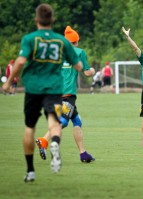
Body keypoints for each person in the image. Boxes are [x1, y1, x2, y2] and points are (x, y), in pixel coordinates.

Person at [1, 4, 82, 182]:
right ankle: (54, 143)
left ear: (36, 20)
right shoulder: (61, 41)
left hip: (33, 89)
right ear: (52, 20)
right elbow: (78, 66)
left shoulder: (30, 39)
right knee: (55, 123)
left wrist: (8, 82)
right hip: (54, 91)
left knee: (30, 128)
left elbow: (21, 61)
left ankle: (30, 171)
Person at [35, 25, 96, 163]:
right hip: (67, 95)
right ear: (76, 41)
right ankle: (43, 140)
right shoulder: (79, 52)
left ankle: (83, 154)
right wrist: (92, 70)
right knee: (62, 122)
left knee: (77, 121)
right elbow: (86, 72)